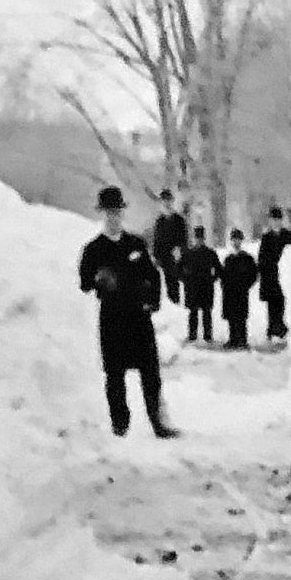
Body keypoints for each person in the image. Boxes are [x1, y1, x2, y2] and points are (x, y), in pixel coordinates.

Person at [78, 186, 177, 438]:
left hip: (138, 316)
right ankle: (119, 424)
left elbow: (153, 275)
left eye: (117, 212)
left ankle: (158, 421)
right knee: (114, 374)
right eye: (109, 212)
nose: (114, 217)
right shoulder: (94, 249)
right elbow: (85, 283)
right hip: (111, 318)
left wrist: (152, 302)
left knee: (150, 371)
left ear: (122, 213)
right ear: (103, 214)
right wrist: (99, 278)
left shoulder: (136, 243)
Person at [257, 208, 291, 344]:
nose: (276, 223)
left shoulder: (287, 236)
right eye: (273, 220)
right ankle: (273, 330)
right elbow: (262, 259)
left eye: (277, 220)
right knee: (272, 306)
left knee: (283, 305)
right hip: (270, 277)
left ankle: (282, 330)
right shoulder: (266, 238)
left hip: (284, 276)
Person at [182, 224, 222, 342]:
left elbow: (218, 269)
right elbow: (178, 268)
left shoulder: (210, 253)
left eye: (200, 238)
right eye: (197, 238)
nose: (199, 240)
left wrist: (212, 279)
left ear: (203, 239)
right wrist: (186, 280)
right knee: (193, 313)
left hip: (206, 286)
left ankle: (208, 336)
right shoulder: (188, 253)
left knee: (206, 313)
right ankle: (192, 335)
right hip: (192, 286)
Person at [220, 229, 259, 349]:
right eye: (233, 240)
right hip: (230, 292)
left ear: (241, 241)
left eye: (238, 239)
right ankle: (233, 339)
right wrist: (224, 286)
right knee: (231, 316)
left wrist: (246, 285)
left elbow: (254, 274)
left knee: (241, 316)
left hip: (241, 291)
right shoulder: (228, 259)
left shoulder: (247, 258)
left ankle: (242, 339)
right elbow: (223, 275)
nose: (236, 242)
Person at [150, 189, 189, 304]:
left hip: (176, 256)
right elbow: (157, 240)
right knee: (166, 281)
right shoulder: (160, 220)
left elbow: (184, 238)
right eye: (163, 201)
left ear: (172, 201)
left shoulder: (179, 220)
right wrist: (155, 256)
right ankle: (170, 304)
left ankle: (177, 303)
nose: (166, 203)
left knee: (176, 281)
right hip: (163, 257)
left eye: (168, 200)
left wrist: (180, 250)